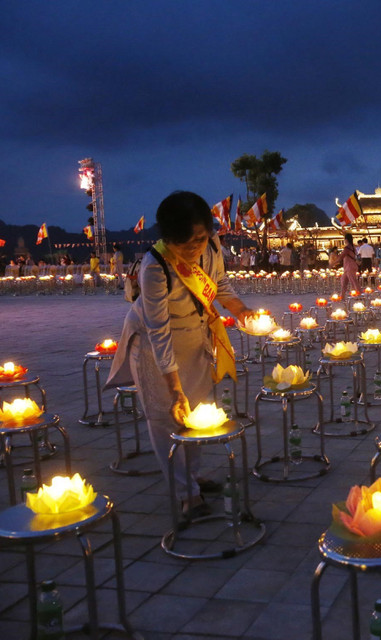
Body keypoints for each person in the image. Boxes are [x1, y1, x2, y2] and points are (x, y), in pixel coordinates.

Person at [105, 191, 253, 516]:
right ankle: (186, 494)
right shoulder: (154, 267)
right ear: (168, 238)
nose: (195, 247)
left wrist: (242, 310)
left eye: (200, 238)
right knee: (166, 415)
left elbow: (220, 285)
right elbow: (159, 330)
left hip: (195, 335)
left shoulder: (212, 245)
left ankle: (194, 475)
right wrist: (173, 387)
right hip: (154, 345)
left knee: (198, 409)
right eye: (186, 243)